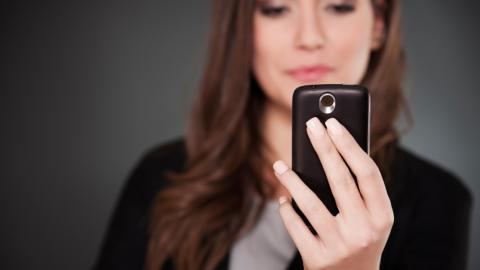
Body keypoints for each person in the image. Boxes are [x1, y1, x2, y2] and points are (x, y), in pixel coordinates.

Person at [93, 0, 473, 269]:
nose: (309, 37)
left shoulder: (437, 198)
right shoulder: (162, 176)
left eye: (339, 6)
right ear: (242, 30)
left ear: (378, 25)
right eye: (276, 9)